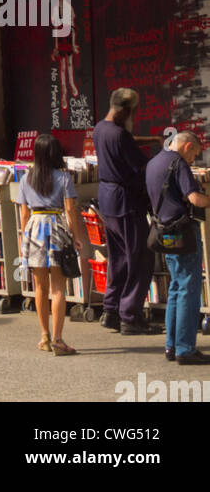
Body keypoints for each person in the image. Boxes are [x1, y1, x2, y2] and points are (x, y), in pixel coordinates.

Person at [17, 133, 90, 355]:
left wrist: (23, 240)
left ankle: (44, 336)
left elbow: (24, 213)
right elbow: (70, 210)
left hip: (34, 228)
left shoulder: (26, 179)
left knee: (40, 287)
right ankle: (59, 339)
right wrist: (76, 236)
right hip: (56, 226)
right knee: (58, 287)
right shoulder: (64, 178)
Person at [94, 88, 155, 334]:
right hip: (126, 202)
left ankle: (111, 310)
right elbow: (141, 166)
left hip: (108, 201)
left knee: (119, 258)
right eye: (134, 111)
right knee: (140, 258)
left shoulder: (100, 128)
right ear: (126, 110)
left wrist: (153, 140)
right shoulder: (118, 134)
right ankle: (130, 315)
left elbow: (125, 141)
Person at [146, 131, 210, 365]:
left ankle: (171, 345)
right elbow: (194, 198)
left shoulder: (154, 162)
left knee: (175, 287)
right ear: (187, 147)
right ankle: (185, 348)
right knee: (188, 289)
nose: (195, 158)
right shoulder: (179, 164)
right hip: (182, 231)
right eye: (195, 152)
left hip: (164, 231)